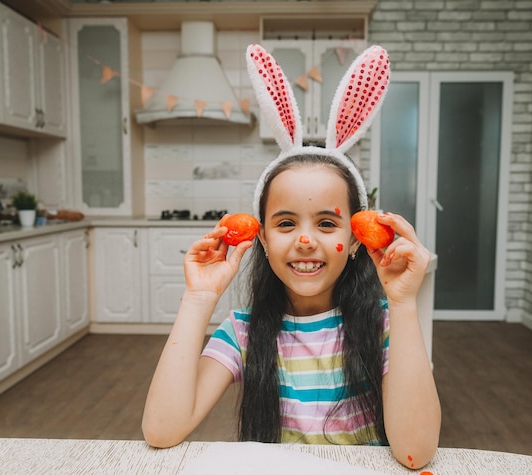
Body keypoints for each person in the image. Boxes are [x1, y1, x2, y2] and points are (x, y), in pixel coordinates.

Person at [142, 44, 440, 470]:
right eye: (285, 224)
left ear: (356, 238)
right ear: (261, 238)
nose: (304, 240)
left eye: (325, 223)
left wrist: (405, 304)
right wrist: (197, 298)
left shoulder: (385, 324)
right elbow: (161, 429)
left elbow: (417, 452)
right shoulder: (243, 332)